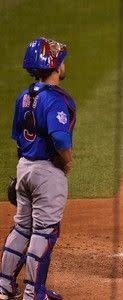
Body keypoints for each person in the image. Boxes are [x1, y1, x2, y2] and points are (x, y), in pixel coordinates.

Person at [0, 38, 76, 299]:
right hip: (47, 172)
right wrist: (67, 160)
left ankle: (4, 285)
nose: (64, 63)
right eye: (61, 60)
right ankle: (34, 292)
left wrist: (25, 170)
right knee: (44, 231)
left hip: (24, 168)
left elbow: (18, 139)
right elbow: (61, 139)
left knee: (22, 226)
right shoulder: (56, 99)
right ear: (54, 66)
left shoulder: (23, 97)